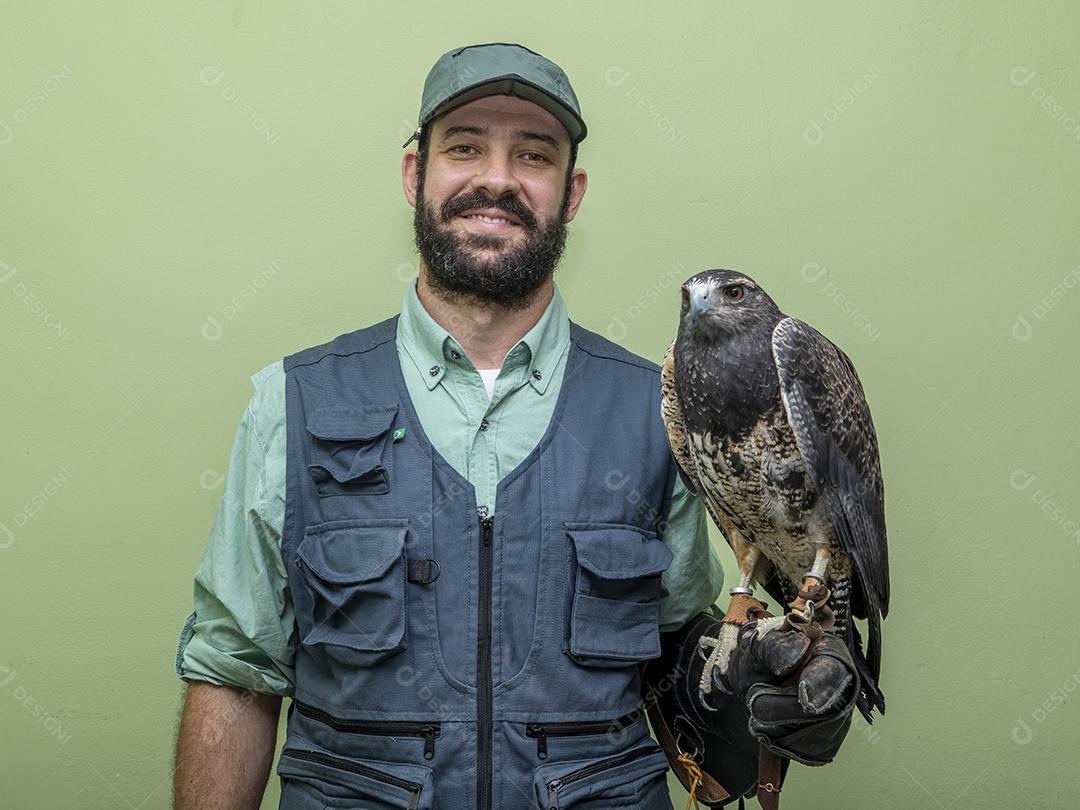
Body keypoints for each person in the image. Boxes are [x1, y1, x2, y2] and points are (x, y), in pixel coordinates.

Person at [172, 42, 726, 809]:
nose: (497, 178)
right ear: (414, 176)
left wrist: (757, 694)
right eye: (465, 147)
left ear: (571, 194)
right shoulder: (292, 402)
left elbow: (679, 658)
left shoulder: (659, 411)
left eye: (534, 155)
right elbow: (235, 669)